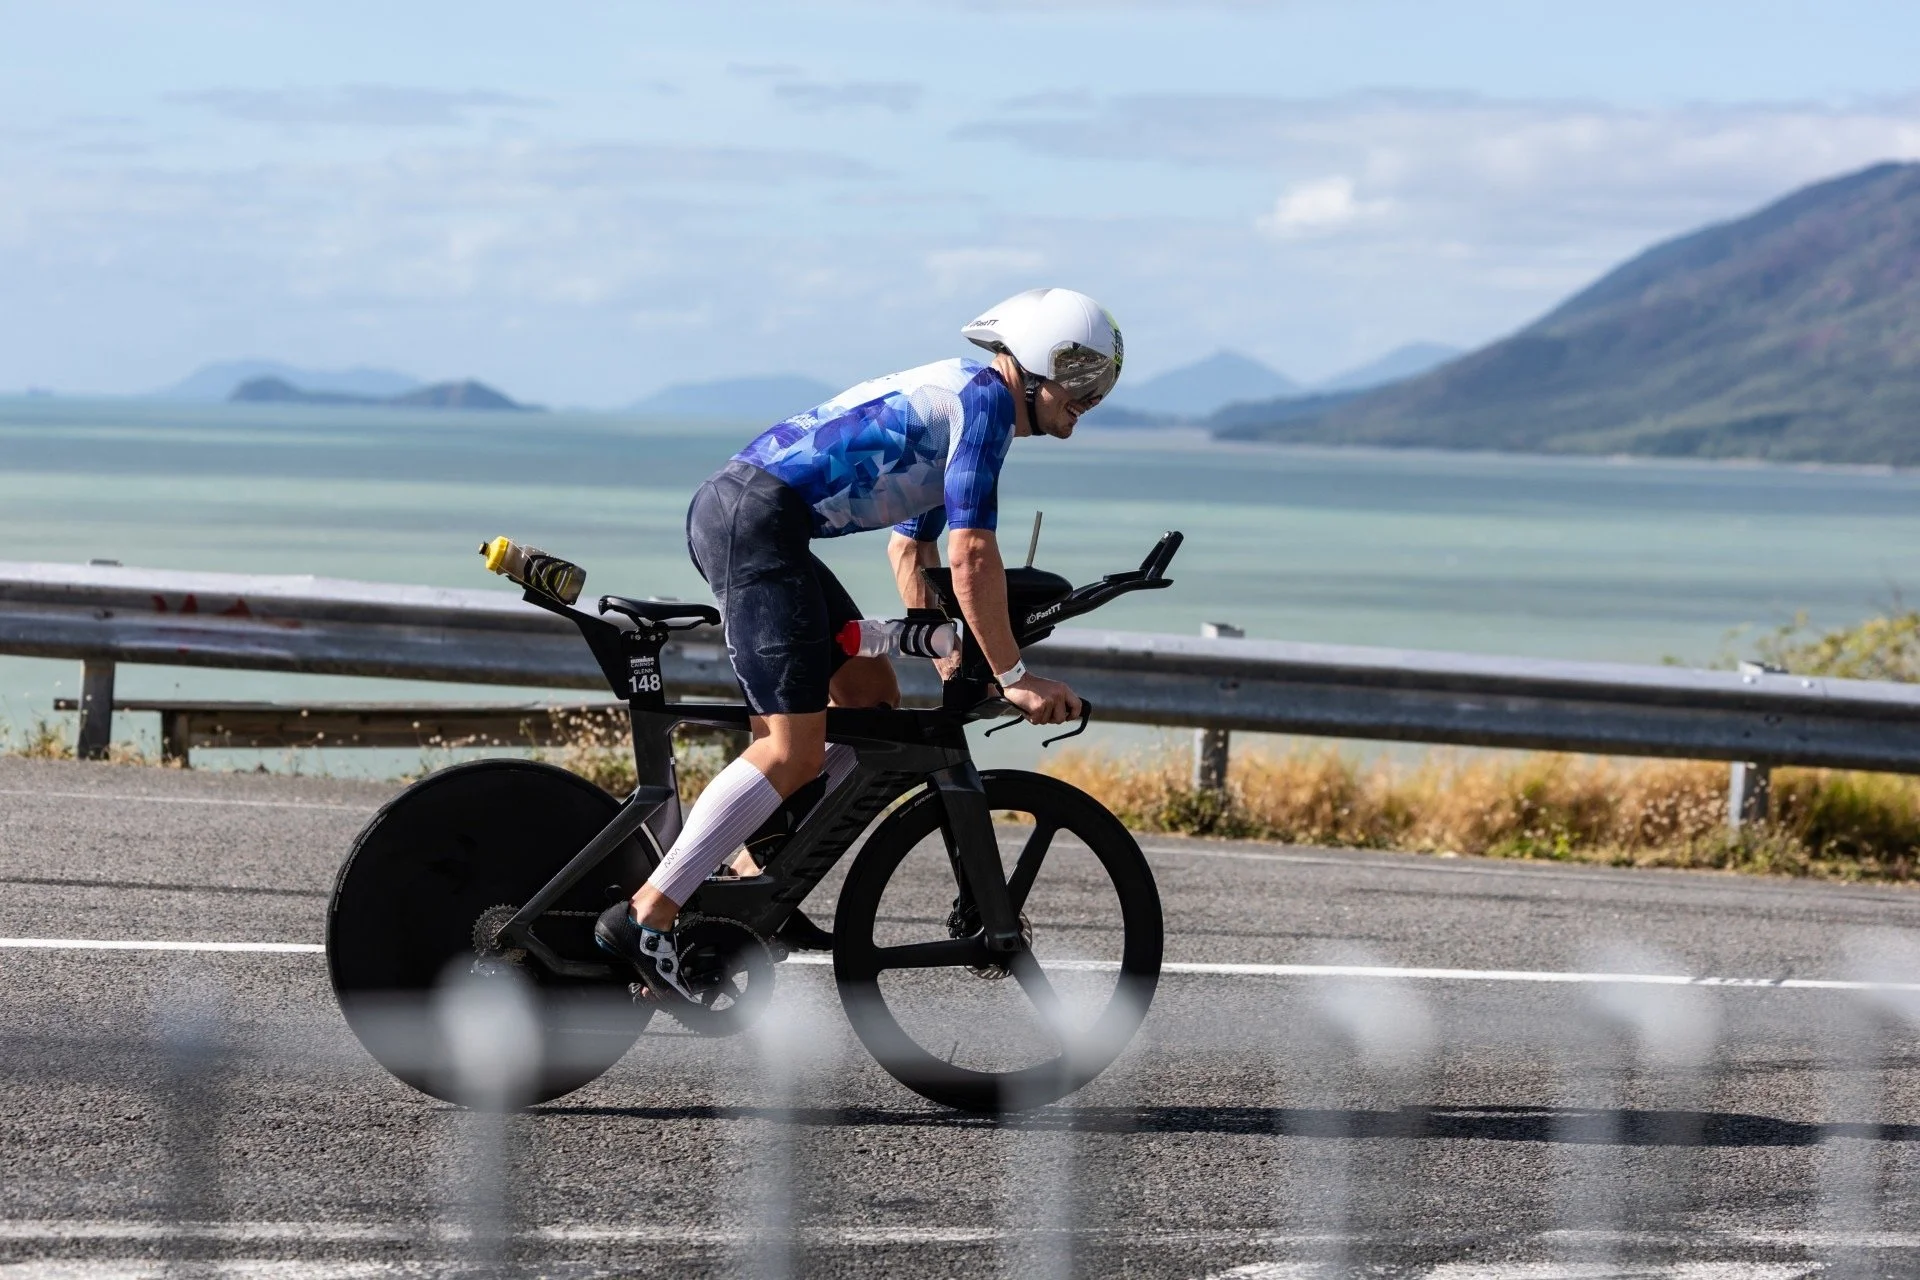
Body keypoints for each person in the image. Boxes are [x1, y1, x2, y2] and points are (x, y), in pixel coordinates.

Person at [596, 287, 1124, 1001]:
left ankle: (752, 891)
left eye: (1104, 382)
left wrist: (947, 648)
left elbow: (914, 552)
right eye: (1083, 376)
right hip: (755, 522)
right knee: (792, 748)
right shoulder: (986, 407)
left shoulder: (969, 403)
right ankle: (647, 917)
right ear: (1033, 362)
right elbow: (971, 557)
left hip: (762, 520)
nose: (1090, 397)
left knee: (872, 702)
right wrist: (1013, 673)